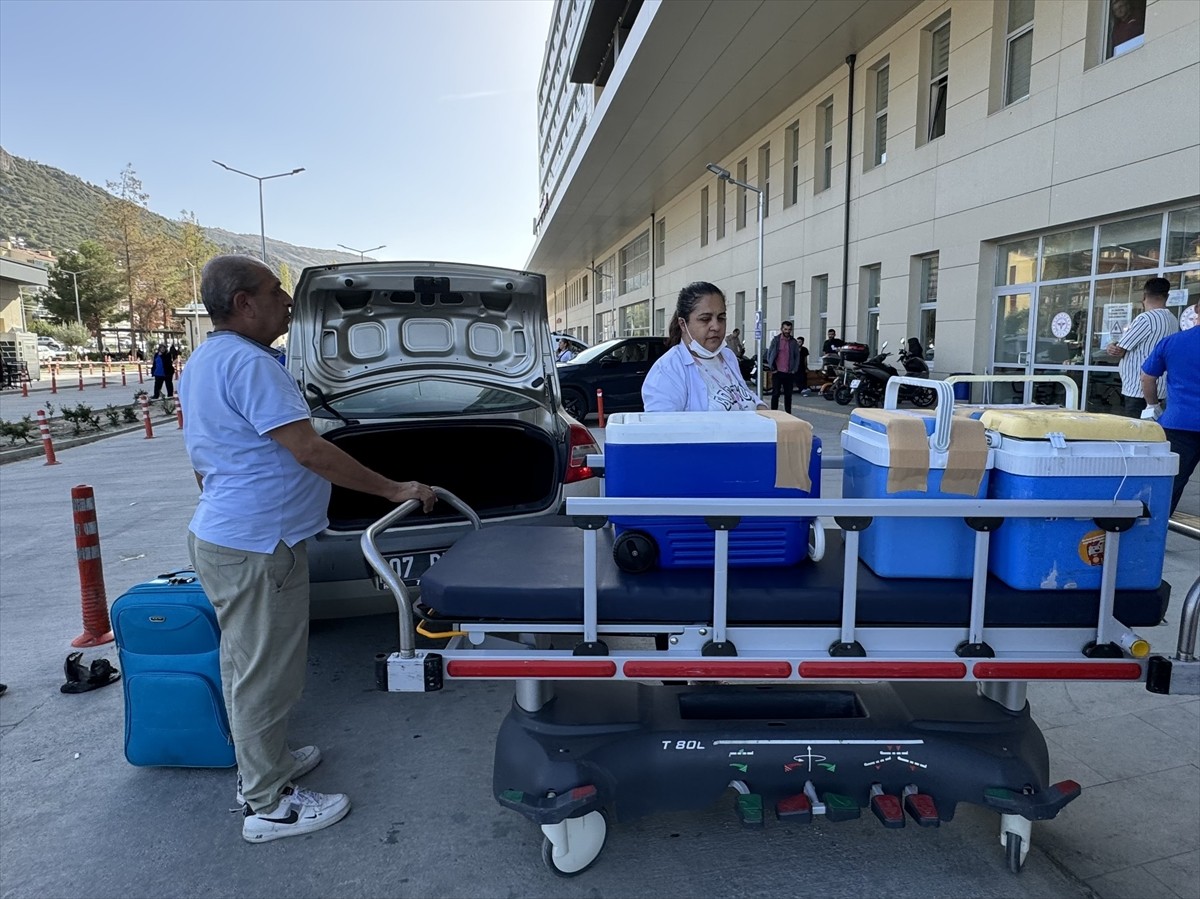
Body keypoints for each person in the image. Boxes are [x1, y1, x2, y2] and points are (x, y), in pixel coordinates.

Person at [179, 255, 437, 844]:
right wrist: (396, 488)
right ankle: (269, 804)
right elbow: (310, 452)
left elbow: (207, 449)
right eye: (276, 292)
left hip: (234, 534)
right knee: (263, 675)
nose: (288, 303)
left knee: (256, 665)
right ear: (244, 302)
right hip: (255, 545)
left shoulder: (208, 359)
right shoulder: (249, 363)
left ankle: (267, 763)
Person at [641, 281, 764, 412]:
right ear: (683, 324)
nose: (716, 326)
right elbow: (664, 429)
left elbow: (746, 398)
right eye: (705, 319)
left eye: (721, 318)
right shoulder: (667, 371)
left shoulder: (728, 357)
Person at [1140, 325, 1200, 516]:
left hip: (1179, 423)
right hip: (1180, 423)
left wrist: (1153, 405)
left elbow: (1147, 377)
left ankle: (1152, 534)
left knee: (1169, 485)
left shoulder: (1173, 342)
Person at [1106, 277, 1179, 417]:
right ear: (1167, 296)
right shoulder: (1172, 320)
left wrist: (1111, 346)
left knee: (1135, 433)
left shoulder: (1145, 318)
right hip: (1161, 388)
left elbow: (1119, 350)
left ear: (1144, 296)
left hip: (1139, 389)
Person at [765, 321, 802, 414]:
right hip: (777, 371)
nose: (787, 331)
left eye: (789, 329)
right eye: (785, 329)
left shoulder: (793, 342)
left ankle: (788, 413)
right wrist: (772, 367)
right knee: (776, 393)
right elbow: (770, 353)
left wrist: (794, 369)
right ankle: (774, 413)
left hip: (789, 372)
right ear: (781, 329)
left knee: (788, 395)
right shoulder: (776, 340)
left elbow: (797, 356)